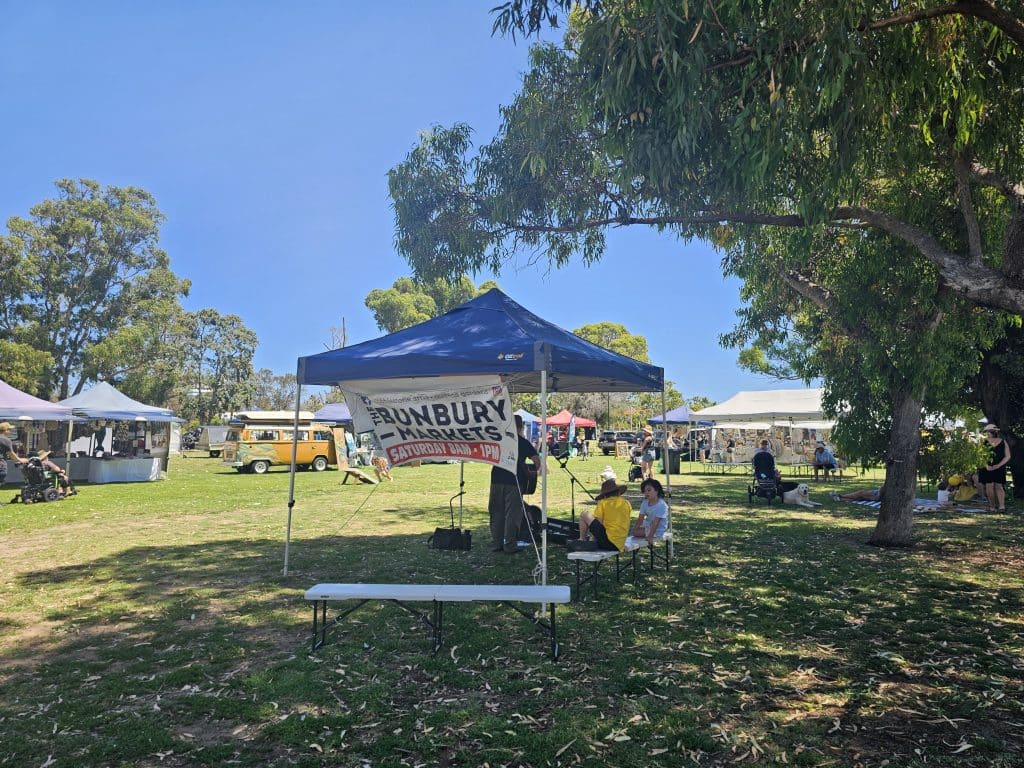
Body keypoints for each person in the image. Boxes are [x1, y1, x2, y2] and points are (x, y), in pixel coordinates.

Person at [489, 414, 541, 553]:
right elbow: (537, 461)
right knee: (512, 514)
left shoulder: (500, 440)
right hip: (514, 481)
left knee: (496, 513)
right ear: (521, 427)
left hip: (496, 479)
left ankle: (496, 543)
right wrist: (532, 472)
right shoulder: (523, 442)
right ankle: (510, 544)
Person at [571, 478, 632, 552]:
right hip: (620, 543)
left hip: (607, 542)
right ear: (619, 492)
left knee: (584, 514)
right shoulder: (626, 503)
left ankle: (581, 539)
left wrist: (592, 539)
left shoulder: (603, 503)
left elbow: (599, 523)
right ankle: (590, 541)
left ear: (604, 495)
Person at [978, 424, 1012, 513]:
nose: (987, 433)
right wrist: (987, 466)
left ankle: (1002, 506)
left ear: (994, 432)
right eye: (986, 432)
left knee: (999, 486)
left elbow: (1007, 456)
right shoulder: (982, 442)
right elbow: (979, 455)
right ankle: (992, 506)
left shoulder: (1003, 442)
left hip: (999, 467)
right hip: (986, 466)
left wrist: (999, 465)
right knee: (989, 486)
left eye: (989, 431)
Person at [632, 478, 669, 545]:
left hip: (658, 529)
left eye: (649, 490)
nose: (646, 493)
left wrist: (650, 537)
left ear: (656, 490)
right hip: (649, 524)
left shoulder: (662, 505)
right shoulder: (645, 502)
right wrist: (635, 529)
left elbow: (656, 523)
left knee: (636, 533)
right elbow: (640, 518)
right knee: (634, 531)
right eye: (644, 491)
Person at [0, 421, 28, 493]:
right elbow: (11, 454)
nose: (11, 431)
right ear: (6, 430)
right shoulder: (6, 440)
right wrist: (20, 460)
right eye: (10, 430)